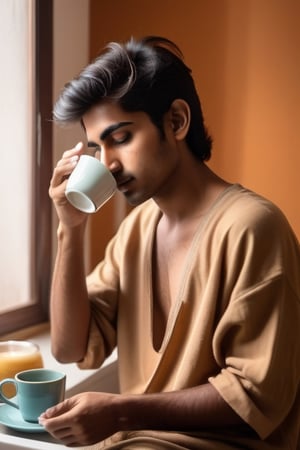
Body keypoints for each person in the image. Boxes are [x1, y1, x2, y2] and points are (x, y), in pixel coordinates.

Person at [40, 36, 300, 449]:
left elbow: (254, 394)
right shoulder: (136, 229)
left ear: (177, 122)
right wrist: (70, 228)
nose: (106, 163)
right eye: (96, 147)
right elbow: (70, 347)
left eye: (120, 138)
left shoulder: (253, 227)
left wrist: (122, 410)